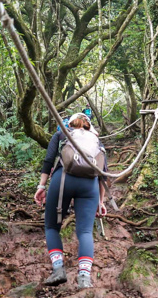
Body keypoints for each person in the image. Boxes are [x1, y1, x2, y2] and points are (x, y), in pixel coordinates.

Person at [34, 113, 108, 288]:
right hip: (89, 186)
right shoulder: (96, 140)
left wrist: (41, 186)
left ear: (70, 124)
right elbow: (103, 173)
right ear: (88, 125)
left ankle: (58, 269)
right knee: (85, 232)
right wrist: (101, 201)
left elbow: (48, 161)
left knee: (52, 226)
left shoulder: (61, 135)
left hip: (62, 180)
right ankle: (84, 278)